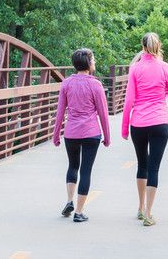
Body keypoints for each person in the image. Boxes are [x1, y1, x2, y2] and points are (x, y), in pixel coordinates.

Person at [121, 32, 168, 227]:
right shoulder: (166, 68)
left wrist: (124, 126)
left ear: (143, 46)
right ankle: (148, 213)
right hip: (159, 123)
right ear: (158, 45)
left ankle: (139, 207)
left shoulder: (135, 69)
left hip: (138, 123)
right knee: (154, 168)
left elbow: (129, 100)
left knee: (142, 165)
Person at [52, 48, 111, 223]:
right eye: (93, 60)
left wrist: (56, 135)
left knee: (72, 166)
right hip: (91, 133)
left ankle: (69, 201)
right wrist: (107, 136)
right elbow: (103, 113)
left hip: (71, 133)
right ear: (88, 63)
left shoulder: (67, 83)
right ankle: (79, 211)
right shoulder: (95, 85)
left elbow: (60, 112)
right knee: (86, 171)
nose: (95, 62)